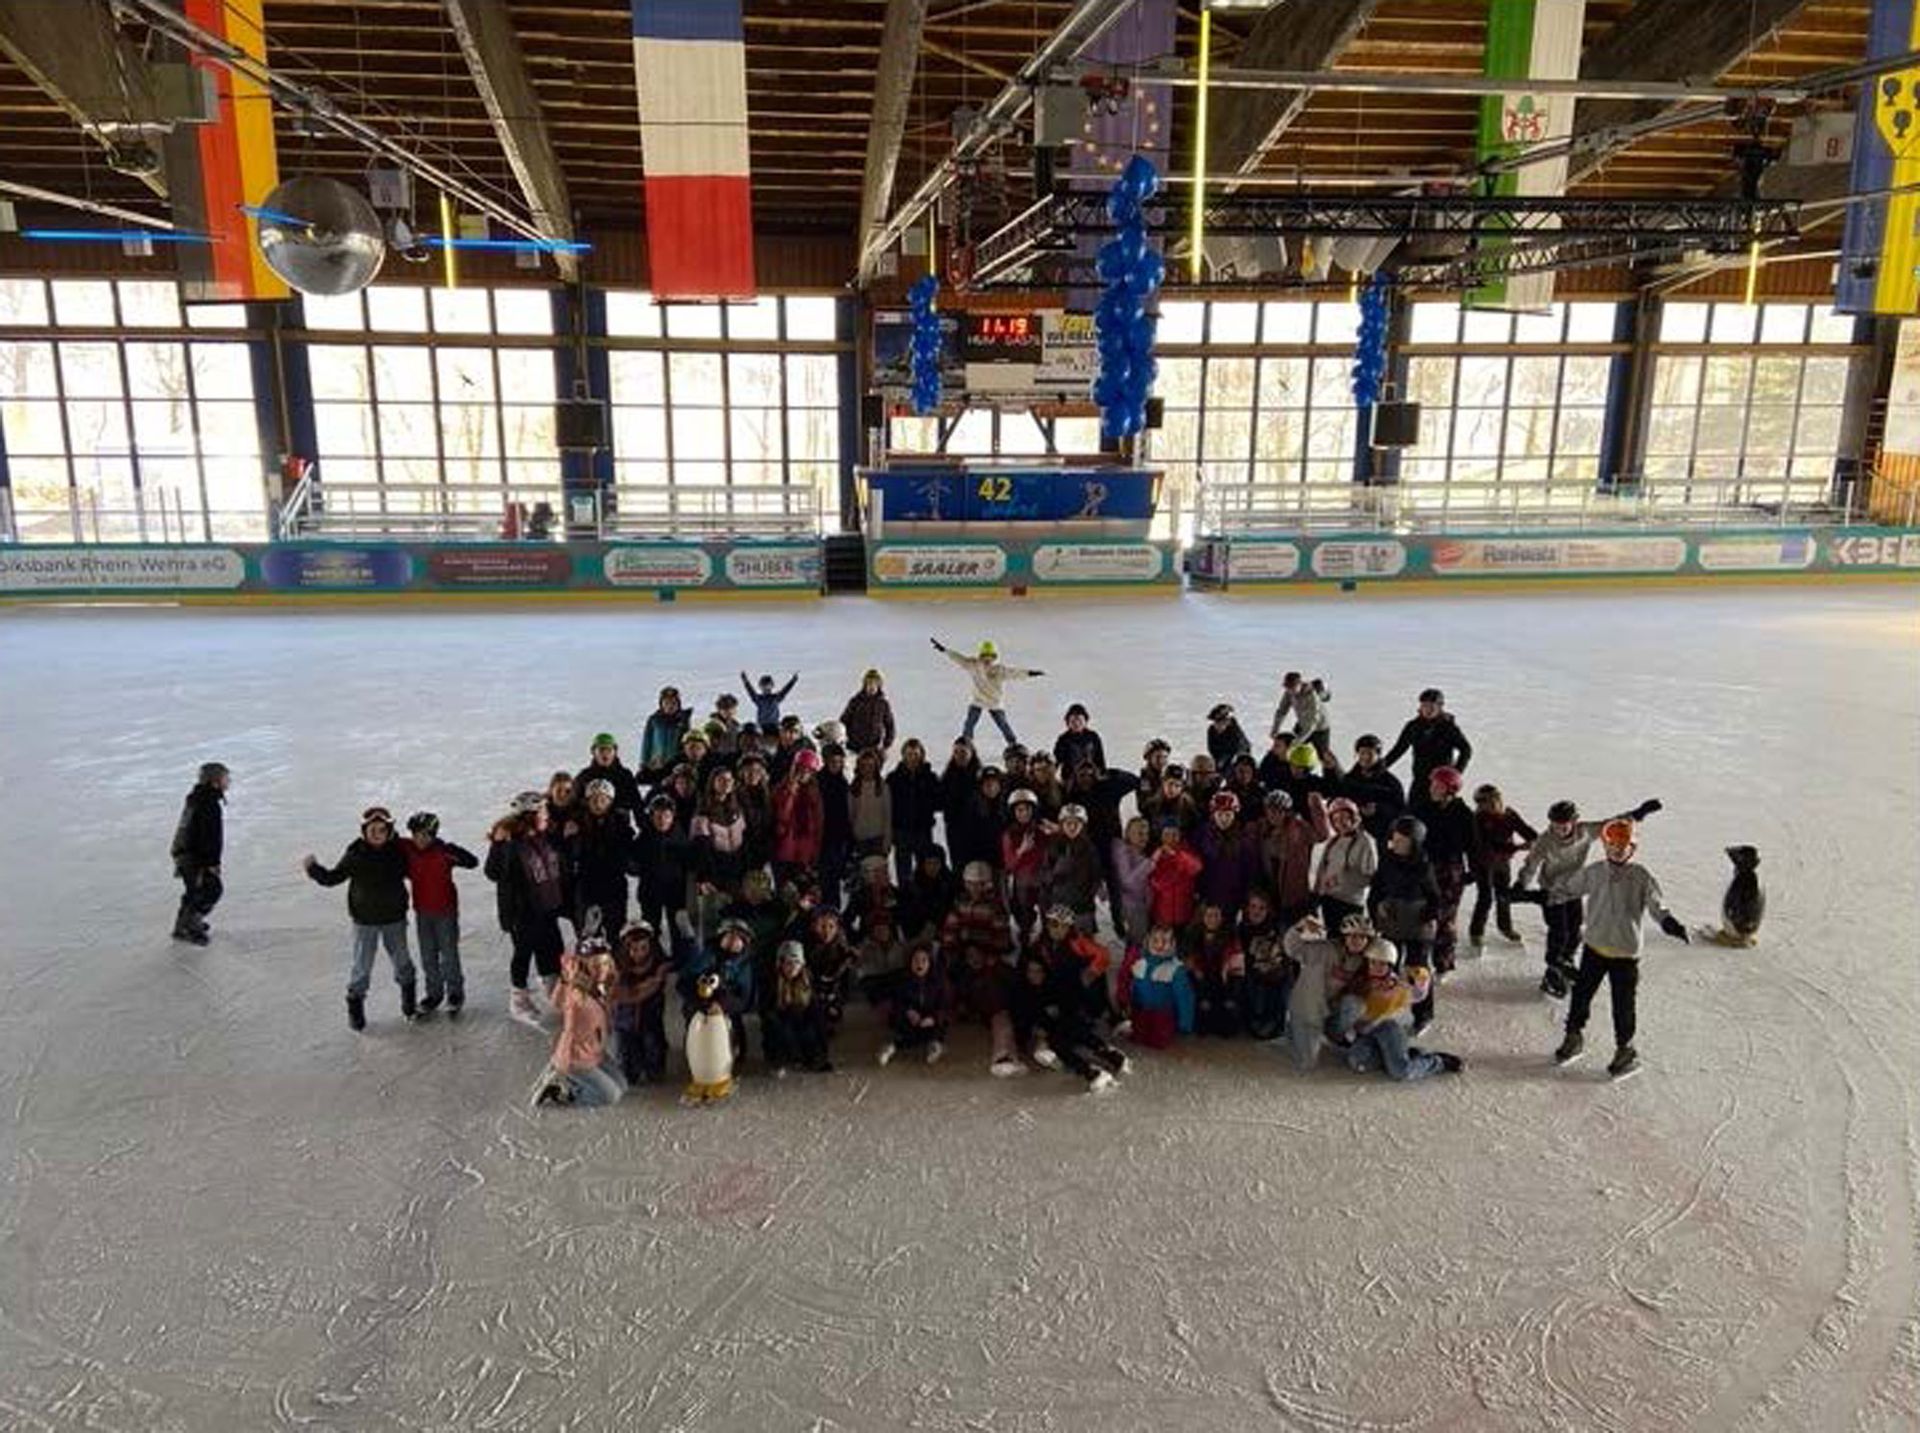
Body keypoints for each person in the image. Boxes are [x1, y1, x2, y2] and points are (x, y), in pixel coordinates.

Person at [1553, 818, 1691, 1080]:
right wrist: (1542, 895)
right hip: (1595, 947)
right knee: (1581, 995)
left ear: (1632, 848)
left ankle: (1625, 1049)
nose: (1617, 851)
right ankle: (1573, 1035)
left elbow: (1656, 905)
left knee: (1623, 1004)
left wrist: (1669, 922)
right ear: (1605, 846)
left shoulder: (1641, 876)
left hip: (1625, 954)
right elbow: (1568, 889)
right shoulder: (1595, 872)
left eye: (1623, 846)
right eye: (1612, 846)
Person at [1516, 797, 1662, 997]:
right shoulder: (1545, 842)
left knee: (1574, 931)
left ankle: (1565, 961)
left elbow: (1610, 825)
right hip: (1551, 892)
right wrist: (1520, 886)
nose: (1560, 829)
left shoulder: (1585, 832)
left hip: (1575, 888)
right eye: (1555, 825)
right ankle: (1553, 969)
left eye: (1564, 825)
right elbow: (1531, 864)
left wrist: (1638, 814)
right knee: (1559, 932)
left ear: (1574, 822)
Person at [304, 805, 416, 1030]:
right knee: (361, 967)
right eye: (372, 830)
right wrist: (313, 869)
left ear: (389, 831)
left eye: (382, 830)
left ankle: (409, 1004)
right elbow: (333, 878)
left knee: (402, 962)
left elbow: (418, 870)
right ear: (364, 832)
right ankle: (355, 1009)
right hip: (365, 922)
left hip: (394, 919)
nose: (377, 834)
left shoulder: (398, 852)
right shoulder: (356, 854)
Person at [486, 792, 572, 1025]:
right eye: (542, 812)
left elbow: (558, 867)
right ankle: (519, 999)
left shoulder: (546, 836)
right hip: (523, 912)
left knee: (553, 949)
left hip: (548, 907)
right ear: (530, 816)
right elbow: (493, 872)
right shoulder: (511, 843)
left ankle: (553, 989)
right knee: (523, 953)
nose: (547, 815)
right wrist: (498, 844)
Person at [942, 860, 1021, 1076]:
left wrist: (984, 955)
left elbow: (1002, 940)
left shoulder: (995, 906)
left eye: (979, 884)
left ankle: (1004, 1052)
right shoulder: (960, 903)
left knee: (995, 1000)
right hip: (964, 959)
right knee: (952, 986)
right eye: (970, 884)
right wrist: (958, 953)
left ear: (987, 884)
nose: (974, 888)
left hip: (990, 961)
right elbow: (949, 931)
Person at [1341, 943, 1464, 1081]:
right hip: (1367, 1031)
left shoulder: (1397, 984)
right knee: (1360, 1062)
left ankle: (1438, 1062)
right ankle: (1408, 1054)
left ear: (1390, 965)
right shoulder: (1359, 982)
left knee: (1400, 1071)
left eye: (1382, 964)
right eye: (1373, 963)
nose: (1377, 968)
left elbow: (1418, 994)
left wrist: (1420, 977)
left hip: (1389, 1029)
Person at [1010, 951, 1130, 1091]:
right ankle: (1091, 1071)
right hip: (1043, 1035)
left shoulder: (1054, 985)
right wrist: (1036, 1030)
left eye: (1039, 971)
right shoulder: (1021, 993)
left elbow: (1069, 1006)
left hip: (1064, 1026)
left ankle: (1111, 1056)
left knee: (1072, 1028)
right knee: (1059, 1041)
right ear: (1025, 973)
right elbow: (1022, 1019)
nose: (1035, 975)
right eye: (1031, 971)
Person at [532, 941, 627, 1108]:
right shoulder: (577, 996)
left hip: (595, 1050)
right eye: (595, 965)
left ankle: (574, 1080)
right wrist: (561, 1062)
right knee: (611, 1097)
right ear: (584, 966)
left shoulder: (602, 986)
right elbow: (567, 1027)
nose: (602, 969)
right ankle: (562, 1093)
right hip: (577, 1057)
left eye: (605, 963)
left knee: (622, 1086)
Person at [1369, 814, 1441, 1035]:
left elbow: (1435, 897)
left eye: (1402, 840)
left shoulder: (1424, 866)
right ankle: (1383, 1009)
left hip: (1417, 925)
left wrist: (1427, 916)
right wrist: (1376, 912)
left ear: (1414, 843)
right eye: (1395, 838)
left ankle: (1423, 1014)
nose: (1396, 843)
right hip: (1392, 921)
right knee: (1386, 967)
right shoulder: (1387, 860)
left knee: (1417, 970)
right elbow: (1376, 889)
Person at [402, 811, 479, 1017]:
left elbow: (472, 862)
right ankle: (434, 995)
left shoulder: (444, 852)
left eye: (425, 835)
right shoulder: (407, 848)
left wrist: (452, 850)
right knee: (428, 957)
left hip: (446, 912)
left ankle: (455, 993)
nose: (419, 839)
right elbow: (387, 840)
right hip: (422, 912)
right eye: (415, 834)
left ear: (433, 835)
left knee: (449, 954)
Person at [1280, 912, 1369, 1072]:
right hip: (1308, 1011)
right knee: (1308, 1063)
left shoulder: (1361, 960)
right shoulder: (1324, 949)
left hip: (1330, 1009)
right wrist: (1299, 927)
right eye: (1352, 936)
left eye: (1362, 937)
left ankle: (1333, 1036)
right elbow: (1292, 948)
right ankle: (1292, 1030)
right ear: (1344, 937)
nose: (1357, 941)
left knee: (1356, 1004)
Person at [1410, 765, 1475, 973]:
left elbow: (1473, 846)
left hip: (1450, 871)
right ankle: (1417, 960)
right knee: (1421, 913)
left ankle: (1443, 962)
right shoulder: (1422, 809)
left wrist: (1472, 872)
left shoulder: (1463, 814)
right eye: (1432, 784)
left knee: (1445, 918)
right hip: (1424, 867)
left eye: (1437, 786)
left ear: (1450, 789)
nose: (1432, 789)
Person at [931, 636, 1043, 744]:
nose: (987, 660)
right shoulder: (974, 665)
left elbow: (1014, 673)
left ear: (995, 657)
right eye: (985, 656)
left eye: (991, 656)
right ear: (980, 656)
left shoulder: (999, 670)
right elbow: (959, 659)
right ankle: (966, 741)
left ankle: (1013, 743)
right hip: (978, 700)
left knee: (1002, 724)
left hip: (994, 702)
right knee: (970, 723)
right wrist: (945, 650)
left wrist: (1030, 673)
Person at [1468, 783, 1536, 948]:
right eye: (1483, 803)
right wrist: (1517, 847)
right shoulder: (1478, 819)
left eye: (1493, 800)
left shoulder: (1509, 815)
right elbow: (1487, 845)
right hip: (1483, 863)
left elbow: (1526, 831)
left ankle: (1505, 927)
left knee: (1503, 896)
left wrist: (1536, 840)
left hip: (1502, 863)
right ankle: (1476, 933)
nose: (1489, 805)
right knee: (1485, 898)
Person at [632, 793, 695, 963]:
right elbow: (633, 862)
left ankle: (679, 959)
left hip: (675, 890)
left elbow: (690, 862)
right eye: (658, 816)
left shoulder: (680, 836)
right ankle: (652, 960)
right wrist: (635, 866)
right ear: (652, 817)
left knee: (677, 927)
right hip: (650, 890)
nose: (662, 820)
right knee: (651, 927)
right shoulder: (644, 837)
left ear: (672, 817)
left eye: (666, 816)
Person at [170, 761, 228, 944]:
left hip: (186, 853)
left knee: (194, 891)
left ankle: (183, 925)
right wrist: (210, 863)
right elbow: (208, 836)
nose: (228, 782)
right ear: (215, 781)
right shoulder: (208, 804)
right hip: (194, 857)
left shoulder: (198, 798)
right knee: (211, 890)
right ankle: (191, 926)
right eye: (225, 778)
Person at [570, 779, 634, 939]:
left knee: (616, 932)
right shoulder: (577, 822)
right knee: (589, 935)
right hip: (587, 887)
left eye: (603, 799)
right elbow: (572, 853)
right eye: (594, 799)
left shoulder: (620, 823)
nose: (598, 804)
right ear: (587, 801)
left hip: (614, 886)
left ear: (610, 801)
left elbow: (628, 852)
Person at [610, 919, 670, 1086]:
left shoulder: (658, 967)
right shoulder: (617, 969)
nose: (639, 954)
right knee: (627, 1060)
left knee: (654, 1050)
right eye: (634, 949)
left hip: (650, 1019)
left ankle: (654, 1069)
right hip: (625, 1022)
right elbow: (621, 993)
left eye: (644, 948)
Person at [1115, 924, 1194, 1048]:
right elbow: (1129, 984)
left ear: (1173, 944)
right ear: (1148, 942)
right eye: (1155, 941)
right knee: (1137, 1037)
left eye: (1165, 941)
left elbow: (1184, 998)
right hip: (1140, 1010)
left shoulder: (1176, 969)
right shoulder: (1139, 962)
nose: (1160, 945)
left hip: (1162, 1013)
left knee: (1157, 1041)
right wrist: (1126, 1002)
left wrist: (1185, 1023)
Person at [1259, 788, 1331, 926]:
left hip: (1295, 895)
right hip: (1271, 891)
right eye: (1270, 810)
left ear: (1286, 812)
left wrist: (1316, 805)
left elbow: (1322, 835)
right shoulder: (1263, 829)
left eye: (1279, 811)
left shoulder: (1298, 827)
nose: (1273, 815)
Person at [1379, 687, 1473, 792]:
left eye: (1432, 706)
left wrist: (1454, 774)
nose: (1428, 710)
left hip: (1441, 782)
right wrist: (1379, 768)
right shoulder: (1413, 726)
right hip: (1419, 780)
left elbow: (1466, 749)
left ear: (1440, 707)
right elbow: (1398, 750)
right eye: (1425, 706)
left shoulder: (1448, 727)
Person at [763, 940, 833, 1076]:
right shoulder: (772, 982)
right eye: (788, 963)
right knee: (778, 1028)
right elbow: (766, 1011)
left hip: (801, 1018)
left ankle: (811, 1056)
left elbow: (816, 1013)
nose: (793, 967)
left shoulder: (807, 981)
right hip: (780, 1019)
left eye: (797, 963)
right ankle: (779, 1059)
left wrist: (822, 1052)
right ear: (781, 964)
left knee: (812, 1026)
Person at [878, 941, 950, 1066]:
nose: (919, 964)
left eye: (924, 960)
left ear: (930, 963)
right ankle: (891, 1048)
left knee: (937, 1029)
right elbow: (896, 1003)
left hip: (930, 1020)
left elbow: (944, 1006)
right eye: (916, 960)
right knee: (905, 1031)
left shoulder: (938, 982)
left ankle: (934, 1046)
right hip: (909, 1020)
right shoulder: (902, 980)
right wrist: (908, 1011)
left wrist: (933, 1018)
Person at [1196, 789, 1263, 923]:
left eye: (1228, 814)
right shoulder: (1202, 836)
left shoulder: (1244, 841)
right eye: (1220, 814)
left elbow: (1250, 874)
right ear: (1213, 815)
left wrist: (1244, 903)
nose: (1224, 819)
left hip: (1233, 901)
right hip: (1208, 899)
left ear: (1235, 815)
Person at [1314, 796, 1377, 931]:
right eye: (1335, 820)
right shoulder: (1333, 842)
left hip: (1351, 902)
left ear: (1354, 818)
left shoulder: (1365, 841)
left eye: (1344, 818)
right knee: (1332, 938)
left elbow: (1371, 876)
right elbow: (1324, 868)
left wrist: (1342, 880)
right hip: (1330, 899)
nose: (1340, 823)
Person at [886, 737, 943, 885]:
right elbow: (888, 805)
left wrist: (927, 805)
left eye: (916, 754)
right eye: (909, 754)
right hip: (901, 831)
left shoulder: (930, 777)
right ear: (903, 755)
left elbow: (939, 802)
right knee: (903, 870)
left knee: (924, 869)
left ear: (921, 755)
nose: (912, 758)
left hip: (922, 830)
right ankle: (905, 895)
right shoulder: (894, 778)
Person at [1187, 901, 1245, 1037]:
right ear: (1202, 917)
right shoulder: (1193, 936)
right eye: (1209, 915)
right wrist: (1202, 995)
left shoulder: (1231, 937)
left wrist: (1231, 995)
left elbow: (1237, 968)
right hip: (1203, 984)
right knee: (1202, 1022)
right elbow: (1192, 967)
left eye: (1216, 915)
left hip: (1224, 984)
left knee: (1228, 1028)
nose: (1213, 919)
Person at [1043, 803, 1103, 933]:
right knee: (1062, 937)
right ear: (1062, 825)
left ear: (1083, 825)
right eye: (1068, 823)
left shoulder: (1090, 849)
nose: (1072, 827)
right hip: (1060, 902)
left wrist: (1089, 894)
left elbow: (1096, 875)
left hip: (1083, 905)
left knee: (1084, 939)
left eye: (1077, 823)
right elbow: (1045, 871)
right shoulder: (1054, 846)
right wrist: (1054, 881)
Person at [772, 747, 826, 888]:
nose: (804, 774)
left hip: (806, 851)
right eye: (801, 770)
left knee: (805, 891)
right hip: (785, 850)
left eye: (808, 771)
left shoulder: (815, 793)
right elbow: (782, 815)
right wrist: (791, 792)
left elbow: (818, 823)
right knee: (785, 892)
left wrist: (816, 851)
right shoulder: (782, 788)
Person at [1338, 734, 1406, 846]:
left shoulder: (1391, 782)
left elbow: (1401, 811)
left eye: (1370, 753)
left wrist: (1378, 809)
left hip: (1381, 836)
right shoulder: (1349, 779)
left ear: (1378, 755)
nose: (1365, 757)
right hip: (1352, 835)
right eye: (1362, 753)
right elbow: (1339, 802)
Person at [1001, 789, 1050, 942]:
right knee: (1022, 913)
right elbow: (1009, 864)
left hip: (1042, 879)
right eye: (1019, 810)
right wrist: (1021, 850)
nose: (1024, 814)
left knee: (1047, 911)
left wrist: (1055, 832)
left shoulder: (1042, 829)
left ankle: (1047, 938)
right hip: (1023, 880)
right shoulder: (1009, 834)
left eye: (1027, 809)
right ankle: (1025, 936)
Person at [1146, 820, 1204, 932]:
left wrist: (1176, 855)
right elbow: (1153, 881)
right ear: (1161, 836)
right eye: (1167, 834)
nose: (1171, 838)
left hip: (1184, 912)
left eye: (1174, 834)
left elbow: (1196, 867)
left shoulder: (1187, 851)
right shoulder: (1156, 855)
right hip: (1162, 913)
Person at [815, 740, 854, 906]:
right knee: (823, 883)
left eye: (839, 761)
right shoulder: (818, 782)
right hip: (822, 839)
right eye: (833, 761)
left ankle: (834, 915)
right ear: (825, 761)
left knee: (834, 882)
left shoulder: (843, 782)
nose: (836, 765)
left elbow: (847, 814)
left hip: (839, 840)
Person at [1110, 815, 1155, 954]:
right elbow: (1128, 881)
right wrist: (1150, 863)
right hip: (1131, 910)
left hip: (1141, 909)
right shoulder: (1122, 851)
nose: (1144, 838)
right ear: (1128, 833)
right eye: (1139, 833)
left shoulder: (1139, 852)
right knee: (1135, 949)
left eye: (1146, 833)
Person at [1271, 673, 1334, 766]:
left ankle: (1335, 772)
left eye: (1292, 688)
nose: (1290, 690)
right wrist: (1275, 729)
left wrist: (1297, 742)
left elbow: (1312, 724)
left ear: (1299, 684)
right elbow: (1282, 711)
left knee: (1324, 756)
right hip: (1302, 723)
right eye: (1287, 687)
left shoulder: (1312, 696)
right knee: (1290, 749)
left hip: (1320, 728)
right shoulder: (1289, 693)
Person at [575, 734, 641, 818]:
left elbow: (637, 805)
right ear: (593, 752)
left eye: (609, 750)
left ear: (615, 752)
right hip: (590, 823)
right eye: (601, 750)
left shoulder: (625, 775)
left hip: (618, 823)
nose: (605, 754)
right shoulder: (584, 776)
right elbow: (573, 802)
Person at [639, 686, 692, 785]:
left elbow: (687, 742)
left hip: (675, 764)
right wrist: (644, 762)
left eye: (673, 703)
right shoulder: (654, 720)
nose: (670, 706)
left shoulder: (683, 721)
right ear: (661, 704)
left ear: (678, 704)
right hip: (658, 763)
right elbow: (647, 742)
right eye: (666, 703)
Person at [840, 668, 896, 755]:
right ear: (865, 685)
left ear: (879, 685)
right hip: (854, 747)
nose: (872, 687)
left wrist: (886, 744)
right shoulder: (856, 701)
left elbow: (890, 725)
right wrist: (843, 739)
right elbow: (844, 721)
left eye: (875, 684)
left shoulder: (883, 704)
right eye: (869, 683)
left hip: (874, 748)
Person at [1053, 704, 1106, 775]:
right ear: (1068, 723)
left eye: (1080, 720)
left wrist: (1102, 774)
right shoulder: (1063, 739)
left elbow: (1100, 760)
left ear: (1085, 721)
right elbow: (1057, 760)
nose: (1077, 724)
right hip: (1070, 777)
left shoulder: (1093, 737)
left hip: (1091, 774)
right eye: (1073, 721)